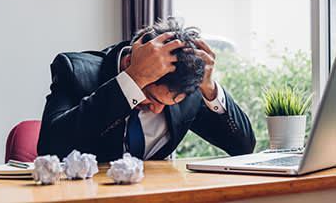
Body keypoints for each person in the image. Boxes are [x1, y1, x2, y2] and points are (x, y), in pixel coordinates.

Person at [37, 17, 256, 162]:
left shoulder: (183, 88)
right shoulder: (75, 70)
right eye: (150, 97)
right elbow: (50, 148)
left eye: (167, 103)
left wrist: (208, 88)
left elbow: (243, 147)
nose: (158, 110)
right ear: (131, 60)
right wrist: (133, 80)